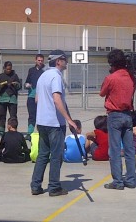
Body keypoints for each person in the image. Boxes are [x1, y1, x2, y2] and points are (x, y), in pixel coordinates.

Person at [30, 49, 77, 197]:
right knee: (56, 156)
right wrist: (69, 120)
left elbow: (37, 99)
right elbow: (57, 99)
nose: (66, 62)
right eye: (64, 59)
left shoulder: (43, 76)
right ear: (58, 61)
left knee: (43, 154)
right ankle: (54, 187)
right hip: (54, 124)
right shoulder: (56, 77)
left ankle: (36, 185)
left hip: (42, 122)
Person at [100, 49, 136, 190]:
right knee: (129, 150)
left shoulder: (111, 78)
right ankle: (131, 180)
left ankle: (118, 182)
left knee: (114, 150)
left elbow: (102, 93)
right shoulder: (131, 77)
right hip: (128, 115)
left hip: (114, 115)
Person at [0, 61, 21, 137]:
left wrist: (15, 84)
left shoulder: (15, 76)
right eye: (7, 69)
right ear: (4, 68)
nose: (9, 70)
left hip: (12, 99)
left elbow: (19, 86)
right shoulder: (1, 76)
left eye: (10, 69)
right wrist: (2, 85)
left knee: (13, 115)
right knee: (2, 115)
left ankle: (13, 129)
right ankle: (1, 130)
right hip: (2, 99)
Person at [24, 54, 45, 140]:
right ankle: (30, 133)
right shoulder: (31, 70)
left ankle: (42, 133)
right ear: (35, 60)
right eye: (39, 60)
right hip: (31, 97)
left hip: (42, 98)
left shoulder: (45, 71)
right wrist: (27, 85)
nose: (40, 62)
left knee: (41, 116)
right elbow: (27, 82)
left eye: (41, 60)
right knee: (32, 116)